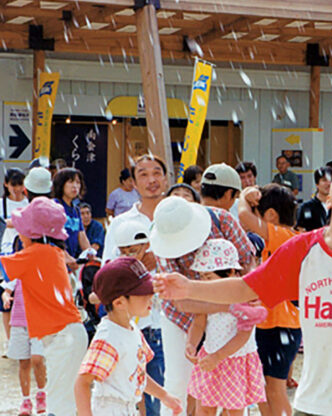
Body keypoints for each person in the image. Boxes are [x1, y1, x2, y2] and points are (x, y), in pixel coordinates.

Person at [154, 156, 332, 416]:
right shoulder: (301, 249)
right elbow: (246, 288)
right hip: (313, 403)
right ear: (328, 197)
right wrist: (189, 287)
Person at [151, 195, 256, 416]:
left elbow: (249, 261)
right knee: (178, 382)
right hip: (187, 313)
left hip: (230, 342)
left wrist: (243, 298)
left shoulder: (222, 220)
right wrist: (230, 304)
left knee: (234, 404)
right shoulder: (161, 245)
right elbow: (184, 305)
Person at [0, 197, 88, 415]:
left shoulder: (34, 254)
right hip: (67, 334)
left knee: (60, 403)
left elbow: (4, 268)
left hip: (63, 337)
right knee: (63, 398)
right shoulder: (52, 252)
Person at [102, 155, 170, 416]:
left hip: (175, 322)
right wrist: (139, 265)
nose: (151, 179)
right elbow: (109, 273)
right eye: (143, 174)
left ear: (165, 177)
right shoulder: (120, 224)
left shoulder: (178, 219)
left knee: (173, 398)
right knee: (138, 400)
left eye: (156, 173)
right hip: (135, 325)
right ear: (133, 181)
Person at [75, 257, 182, 416]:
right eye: (144, 293)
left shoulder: (131, 328)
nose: (151, 297)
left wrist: (164, 396)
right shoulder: (108, 338)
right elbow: (82, 382)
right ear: (119, 303)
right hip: (110, 410)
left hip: (128, 408)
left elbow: (137, 374)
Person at [237, 183, 300, 416]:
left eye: (259, 214)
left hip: (282, 325)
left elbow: (243, 216)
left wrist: (244, 196)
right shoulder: (273, 242)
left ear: (271, 215)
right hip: (268, 324)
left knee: (274, 389)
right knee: (261, 388)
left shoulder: (285, 236)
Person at [186, 239, 266, 415]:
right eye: (201, 277)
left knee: (234, 411)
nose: (203, 282)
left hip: (235, 359)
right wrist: (191, 343)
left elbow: (243, 335)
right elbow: (199, 322)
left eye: (208, 277)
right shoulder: (206, 295)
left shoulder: (245, 297)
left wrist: (218, 357)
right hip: (210, 354)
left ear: (230, 272)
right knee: (204, 409)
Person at [2, 279, 47, 415]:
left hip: (38, 322)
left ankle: (41, 393)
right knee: (24, 363)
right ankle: (26, 400)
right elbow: (6, 291)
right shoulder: (17, 275)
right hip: (18, 322)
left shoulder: (40, 274)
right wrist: (6, 298)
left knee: (37, 359)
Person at [1, 168, 29, 351]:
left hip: (25, 251)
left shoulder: (29, 202)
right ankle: (10, 340)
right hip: (5, 253)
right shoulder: (2, 203)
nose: (17, 189)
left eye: (20, 185)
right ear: (6, 185)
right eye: (14, 185)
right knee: (5, 298)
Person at [52, 168, 91, 259]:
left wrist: (90, 253)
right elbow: (52, 238)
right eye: (70, 182)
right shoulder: (54, 206)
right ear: (61, 184)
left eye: (78, 182)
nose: (75, 186)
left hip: (71, 260)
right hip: (57, 259)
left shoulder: (76, 210)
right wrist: (66, 257)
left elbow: (82, 237)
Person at [296, 166, 332, 231]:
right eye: (324, 180)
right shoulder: (306, 207)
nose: (328, 184)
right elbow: (300, 229)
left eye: (331, 180)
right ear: (317, 184)